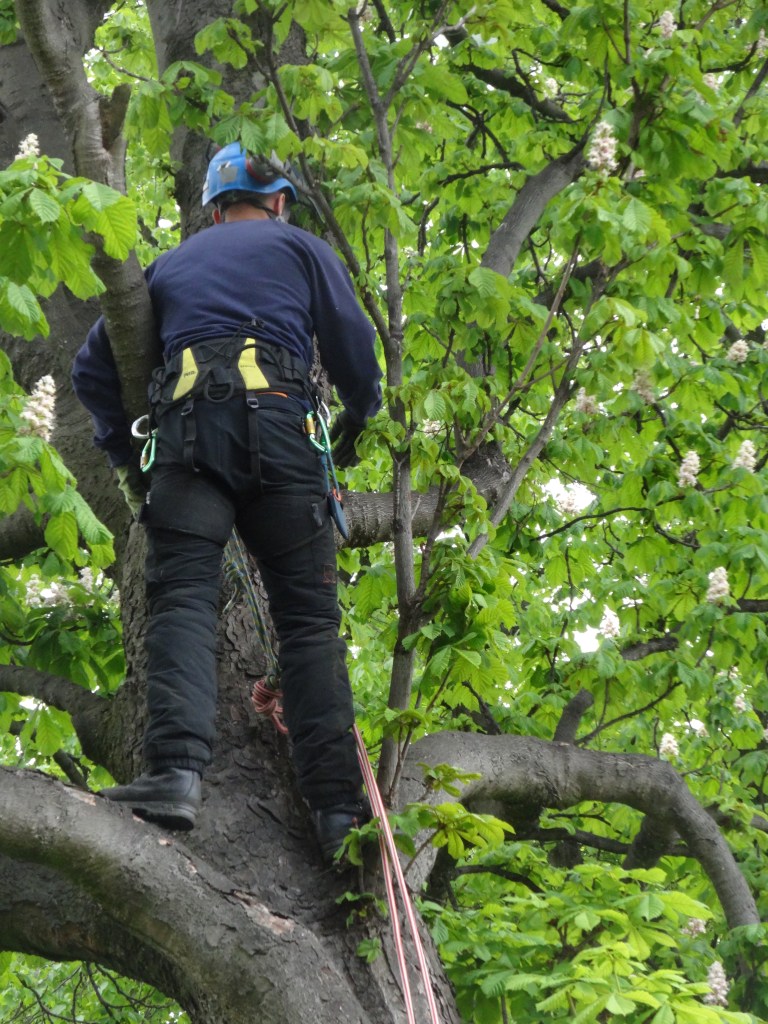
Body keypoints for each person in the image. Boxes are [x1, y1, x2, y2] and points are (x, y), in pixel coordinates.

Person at [72, 143, 382, 862]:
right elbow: (357, 357)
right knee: (307, 623)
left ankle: (175, 775)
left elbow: (93, 371)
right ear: (278, 201)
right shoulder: (302, 250)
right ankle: (338, 811)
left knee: (182, 598)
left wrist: (129, 458)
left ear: (215, 209)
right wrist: (355, 422)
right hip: (283, 435)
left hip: (188, 442)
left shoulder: (170, 267)